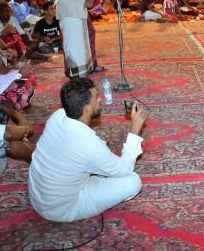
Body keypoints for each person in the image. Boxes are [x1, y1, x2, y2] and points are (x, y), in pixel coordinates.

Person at [28, 78, 147, 222]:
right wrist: (134, 132)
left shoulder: (57, 116)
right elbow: (125, 169)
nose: (100, 99)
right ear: (87, 108)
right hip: (61, 209)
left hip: (38, 197)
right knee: (132, 181)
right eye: (96, 97)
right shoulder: (89, 145)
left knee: (94, 160)